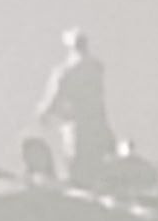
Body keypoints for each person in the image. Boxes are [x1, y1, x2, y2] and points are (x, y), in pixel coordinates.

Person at [37, 29, 116, 186]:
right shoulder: (96, 68)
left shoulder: (65, 72)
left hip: (76, 126)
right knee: (94, 163)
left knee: (75, 164)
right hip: (96, 124)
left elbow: (53, 97)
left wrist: (43, 113)